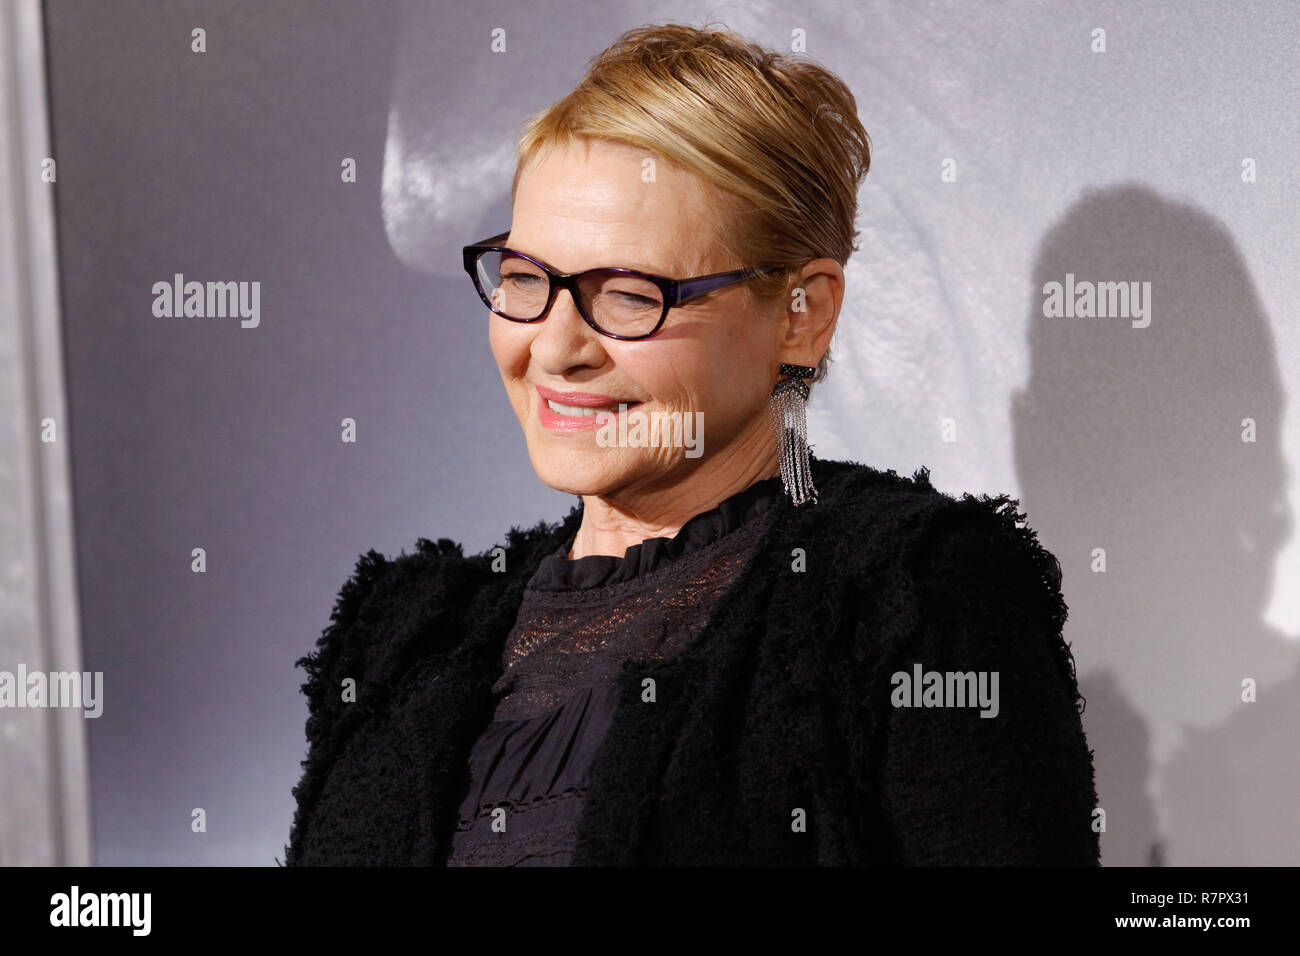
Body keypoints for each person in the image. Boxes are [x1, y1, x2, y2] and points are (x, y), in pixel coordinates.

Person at [284, 22, 1099, 866]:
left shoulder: (912, 595)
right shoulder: (405, 637)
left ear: (801, 315)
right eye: (526, 279)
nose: (556, 346)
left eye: (631, 295)